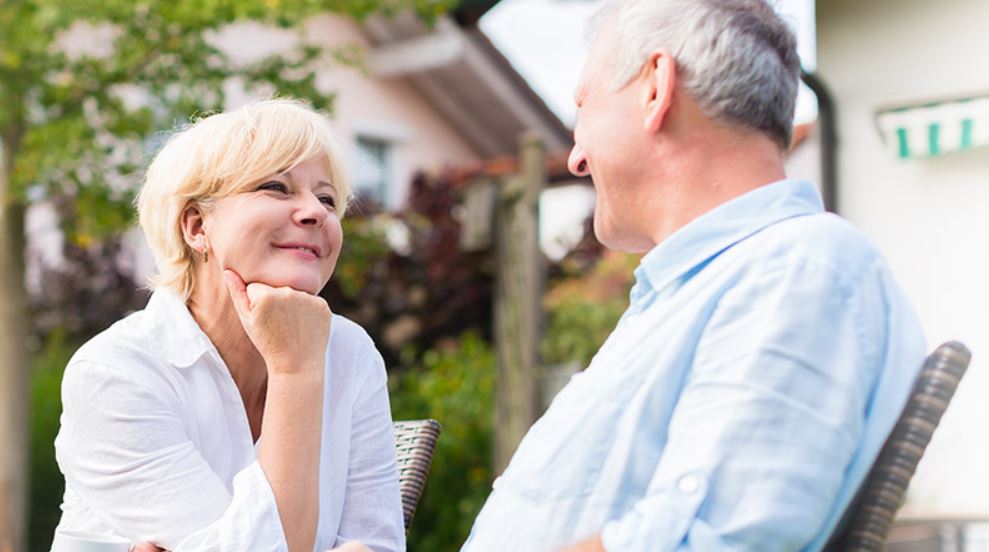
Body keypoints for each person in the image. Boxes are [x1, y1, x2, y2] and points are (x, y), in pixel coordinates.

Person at [462, 1, 926, 551]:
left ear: (656, 87)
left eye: (583, 108)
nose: (576, 159)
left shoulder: (794, 267)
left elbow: (709, 542)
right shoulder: (709, 289)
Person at [53, 99, 405, 552]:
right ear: (197, 226)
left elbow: (377, 546)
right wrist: (295, 371)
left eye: (326, 198)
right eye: (277, 187)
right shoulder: (114, 374)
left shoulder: (350, 351)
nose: (316, 213)